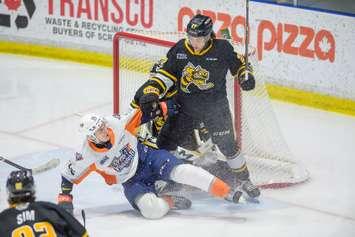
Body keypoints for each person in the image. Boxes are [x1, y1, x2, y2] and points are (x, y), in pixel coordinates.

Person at [131, 14, 260, 199]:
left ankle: (244, 180)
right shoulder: (180, 49)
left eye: (198, 38)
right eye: (191, 37)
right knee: (165, 143)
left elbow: (239, 65)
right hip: (185, 108)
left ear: (208, 36)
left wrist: (245, 75)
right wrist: (151, 91)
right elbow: (165, 75)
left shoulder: (222, 49)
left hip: (215, 109)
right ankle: (167, 178)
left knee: (228, 147)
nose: (193, 41)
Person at [57, 108, 242, 220]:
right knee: (151, 211)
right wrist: (65, 200)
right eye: (99, 131)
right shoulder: (85, 155)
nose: (105, 130)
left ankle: (226, 191)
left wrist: (162, 105)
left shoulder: (116, 123)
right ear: (91, 137)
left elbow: (140, 112)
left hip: (149, 158)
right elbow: (68, 175)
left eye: (103, 126)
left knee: (183, 171)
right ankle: (171, 200)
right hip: (131, 181)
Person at [0, 170, 88, 237]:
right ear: (32, 189)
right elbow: (82, 234)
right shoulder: (49, 209)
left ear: (9, 192)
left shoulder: (3, 219)